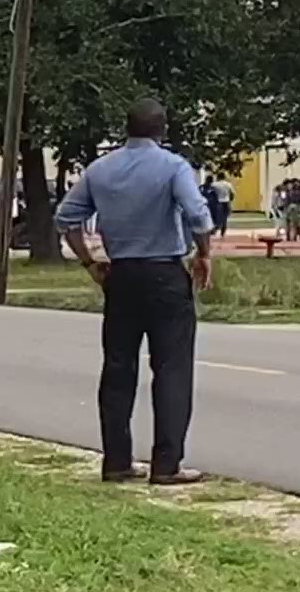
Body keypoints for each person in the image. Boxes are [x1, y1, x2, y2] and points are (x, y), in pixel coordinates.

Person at [54, 98, 213, 487]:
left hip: (121, 276)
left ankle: (117, 461)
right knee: (172, 369)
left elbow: (65, 218)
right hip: (164, 274)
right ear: (162, 129)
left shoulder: (101, 169)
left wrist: (90, 261)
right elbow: (196, 214)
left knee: (118, 368)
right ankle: (166, 464)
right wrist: (204, 254)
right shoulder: (173, 166)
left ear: (127, 127)